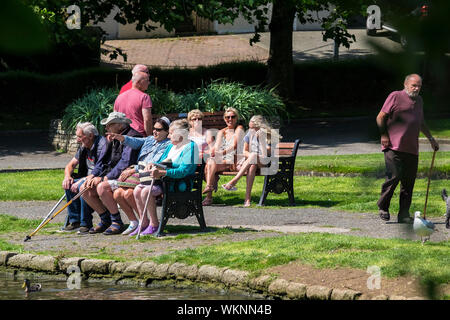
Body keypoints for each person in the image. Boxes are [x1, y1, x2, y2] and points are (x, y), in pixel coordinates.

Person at [376, 73, 439, 223]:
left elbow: (421, 122)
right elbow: (380, 117)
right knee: (394, 177)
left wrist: (431, 139)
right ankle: (383, 206)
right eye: (414, 85)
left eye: (419, 86)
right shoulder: (395, 96)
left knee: (408, 183)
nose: (416, 89)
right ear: (406, 85)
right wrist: (384, 134)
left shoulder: (419, 101)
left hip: (411, 149)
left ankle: (403, 214)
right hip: (393, 146)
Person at [104, 117, 171, 235]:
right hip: (139, 175)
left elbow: (157, 164)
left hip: (152, 178)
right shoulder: (150, 139)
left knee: (128, 193)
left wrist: (134, 169)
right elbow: (136, 142)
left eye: (159, 130)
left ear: (167, 132)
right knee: (117, 193)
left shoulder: (168, 145)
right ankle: (136, 222)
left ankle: (146, 223)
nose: (155, 131)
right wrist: (122, 138)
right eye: (154, 129)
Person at [132, 119, 198, 235]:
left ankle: (154, 224)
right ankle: (144, 222)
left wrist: (163, 173)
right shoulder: (171, 147)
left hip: (179, 184)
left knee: (146, 192)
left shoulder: (191, 147)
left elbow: (184, 171)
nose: (168, 135)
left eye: (171, 133)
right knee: (137, 190)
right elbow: (162, 162)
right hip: (164, 181)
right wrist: (154, 164)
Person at [80, 112, 141, 235]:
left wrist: (104, 178)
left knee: (102, 187)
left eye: (109, 125)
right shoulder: (111, 138)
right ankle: (105, 219)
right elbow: (102, 161)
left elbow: (125, 163)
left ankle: (117, 222)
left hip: (127, 176)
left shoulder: (132, 137)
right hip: (111, 175)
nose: (106, 128)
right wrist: (94, 175)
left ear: (119, 125)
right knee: (84, 188)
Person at [222, 115, 281, 207]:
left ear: (260, 127)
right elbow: (244, 151)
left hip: (265, 164)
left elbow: (265, 155)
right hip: (253, 162)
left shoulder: (270, 136)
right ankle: (247, 199)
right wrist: (251, 158)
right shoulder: (249, 134)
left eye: (253, 128)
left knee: (253, 156)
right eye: (250, 128)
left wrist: (261, 140)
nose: (251, 130)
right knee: (252, 165)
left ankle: (234, 181)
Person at [62, 122, 108, 232]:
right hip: (86, 177)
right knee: (69, 184)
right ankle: (75, 220)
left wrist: (83, 180)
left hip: (99, 177)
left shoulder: (102, 145)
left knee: (83, 186)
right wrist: (67, 176)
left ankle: (85, 223)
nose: (77, 140)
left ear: (90, 136)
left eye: (79, 136)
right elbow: (71, 165)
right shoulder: (84, 147)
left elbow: (101, 168)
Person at [202, 107, 245, 206]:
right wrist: (215, 152)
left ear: (236, 118)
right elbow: (217, 147)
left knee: (210, 164)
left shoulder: (239, 129)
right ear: (224, 118)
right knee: (210, 162)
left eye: (232, 117)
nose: (230, 119)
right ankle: (209, 186)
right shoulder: (221, 132)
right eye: (227, 117)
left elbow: (234, 146)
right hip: (224, 160)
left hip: (234, 160)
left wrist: (220, 154)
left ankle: (209, 197)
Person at [114, 71, 153, 136]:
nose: (149, 83)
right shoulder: (144, 97)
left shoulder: (119, 97)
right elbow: (147, 119)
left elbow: (114, 118)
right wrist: (149, 137)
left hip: (122, 136)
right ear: (139, 82)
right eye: (147, 80)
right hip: (138, 136)